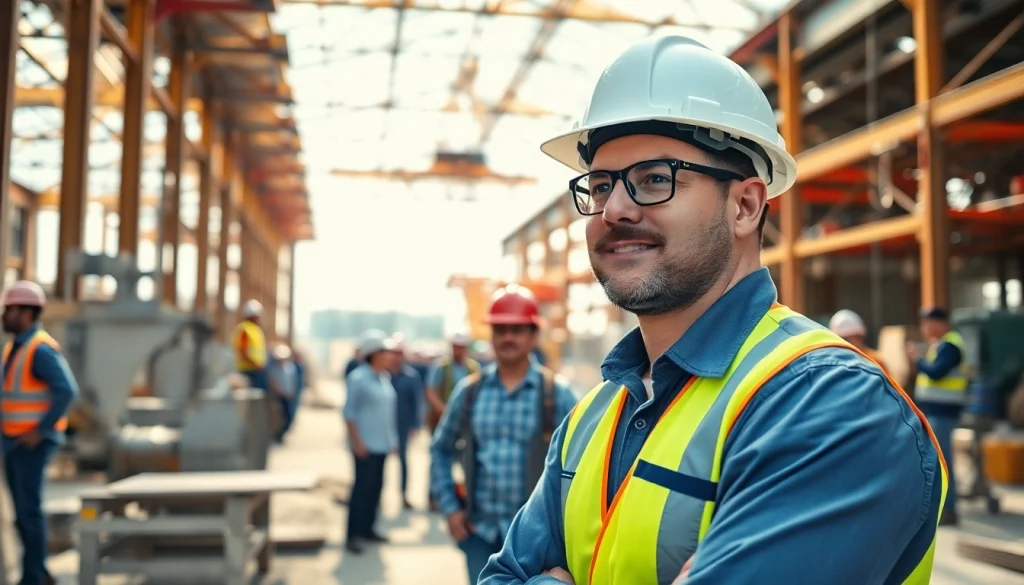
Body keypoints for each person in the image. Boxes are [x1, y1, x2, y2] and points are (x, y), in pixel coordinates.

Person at [480, 34, 946, 585]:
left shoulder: (830, 407)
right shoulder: (593, 417)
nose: (616, 210)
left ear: (746, 205)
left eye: (655, 179)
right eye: (601, 186)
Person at [430, 286, 578, 584]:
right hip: (479, 533)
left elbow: (585, 463)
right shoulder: (470, 393)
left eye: (517, 330)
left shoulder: (556, 394)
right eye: (500, 330)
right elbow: (441, 448)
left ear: (533, 336)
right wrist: (450, 508)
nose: (508, 337)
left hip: (537, 542)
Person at [1, 280, 79, 585]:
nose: (4, 315)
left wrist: (40, 431)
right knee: (22, 514)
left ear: (26, 312)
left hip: (30, 444)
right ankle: (40, 572)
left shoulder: (40, 349)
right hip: (13, 441)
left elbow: (66, 391)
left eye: (9, 310)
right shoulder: (15, 347)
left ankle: (32, 578)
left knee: (29, 512)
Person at [342, 329, 400, 554]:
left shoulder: (384, 378)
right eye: (385, 352)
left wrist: (392, 440)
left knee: (376, 488)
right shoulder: (358, 378)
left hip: (382, 445)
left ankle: (368, 529)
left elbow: (388, 413)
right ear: (374, 354)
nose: (390, 356)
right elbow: (349, 413)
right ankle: (353, 534)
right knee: (361, 490)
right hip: (365, 446)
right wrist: (357, 442)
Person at [908, 306, 966, 526]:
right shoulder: (940, 345)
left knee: (943, 462)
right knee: (939, 460)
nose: (924, 328)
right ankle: (944, 508)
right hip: (935, 412)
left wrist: (917, 360)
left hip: (943, 413)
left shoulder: (950, 345)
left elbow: (936, 372)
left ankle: (949, 509)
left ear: (939, 323)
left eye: (927, 323)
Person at [389, 336, 425, 509]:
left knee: (403, 461)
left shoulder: (411, 377)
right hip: (383, 426)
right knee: (379, 462)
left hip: (402, 425)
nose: (396, 357)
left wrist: (415, 425)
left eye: (399, 353)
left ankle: (403, 495)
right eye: (393, 353)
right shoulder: (382, 375)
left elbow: (417, 403)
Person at [425, 333, 480, 432]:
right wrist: (444, 411)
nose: (459, 351)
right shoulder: (441, 366)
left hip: (467, 418)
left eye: (461, 347)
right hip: (441, 418)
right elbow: (431, 392)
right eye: (456, 347)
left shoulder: (474, 368)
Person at [828, 309, 891, 376]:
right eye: (846, 338)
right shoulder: (830, 362)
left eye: (856, 337)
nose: (853, 342)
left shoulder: (874, 360)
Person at [232, 299, 269, 391]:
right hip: (248, 372)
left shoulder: (255, 329)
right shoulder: (245, 330)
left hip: (257, 371)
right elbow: (242, 352)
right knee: (251, 400)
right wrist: (256, 364)